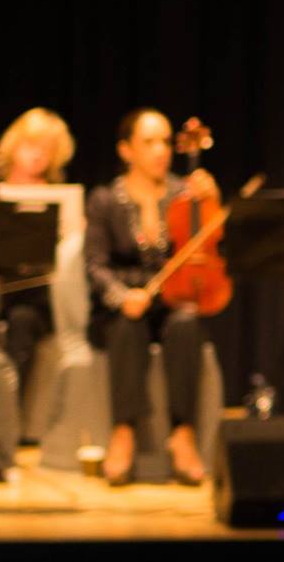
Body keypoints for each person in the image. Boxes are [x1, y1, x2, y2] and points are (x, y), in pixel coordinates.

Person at [84, 108, 218, 485]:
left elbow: (206, 249)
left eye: (165, 141)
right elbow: (94, 265)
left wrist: (210, 201)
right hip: (122, 307)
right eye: (149, 142)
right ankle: (123, 432)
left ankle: (183, 433)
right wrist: (121, 295)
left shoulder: (184, 194)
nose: (161, 150)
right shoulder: (105, 200)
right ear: (126, 150)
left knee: (187, 323)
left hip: (169, 301)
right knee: (128, 326)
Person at [0, 107, 77, 400]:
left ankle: (11, 405)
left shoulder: (59, 196)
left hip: (38, 299)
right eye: (30, 145)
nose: (37, 155)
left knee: (22, 319)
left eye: (46, 149)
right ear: (14, 145)